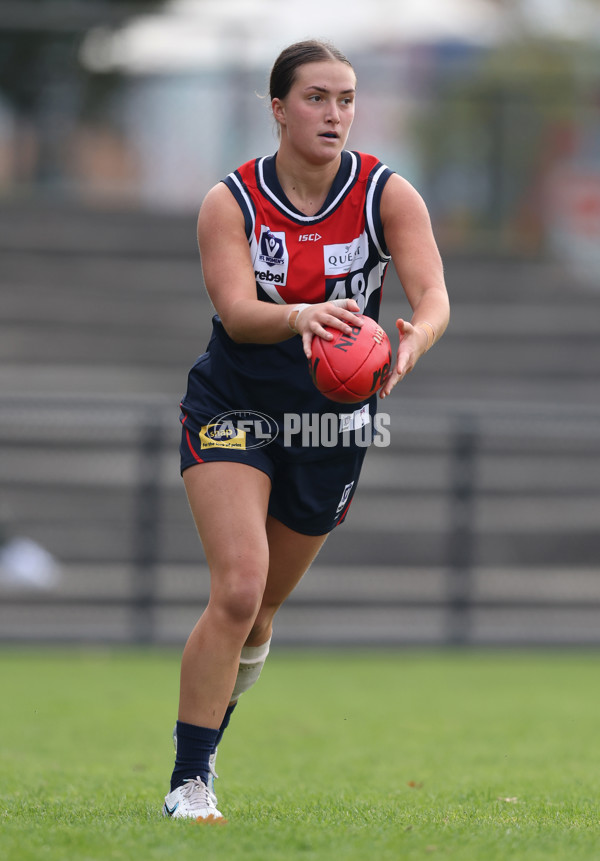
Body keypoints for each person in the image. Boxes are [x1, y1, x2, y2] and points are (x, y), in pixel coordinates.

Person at [163, 39, 450, 822]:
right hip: (236, 403)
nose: (335, 113)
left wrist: (411, 340)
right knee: (239, 587)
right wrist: (300, 315)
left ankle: (222, 709)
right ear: (279, 108)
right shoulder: (233, 200)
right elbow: (235, 311)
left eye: (347, 99)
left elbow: (433, 297)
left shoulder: (388, 193)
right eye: (318, 97)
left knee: (259, 615)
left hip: (332, 423)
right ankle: (190, 779)